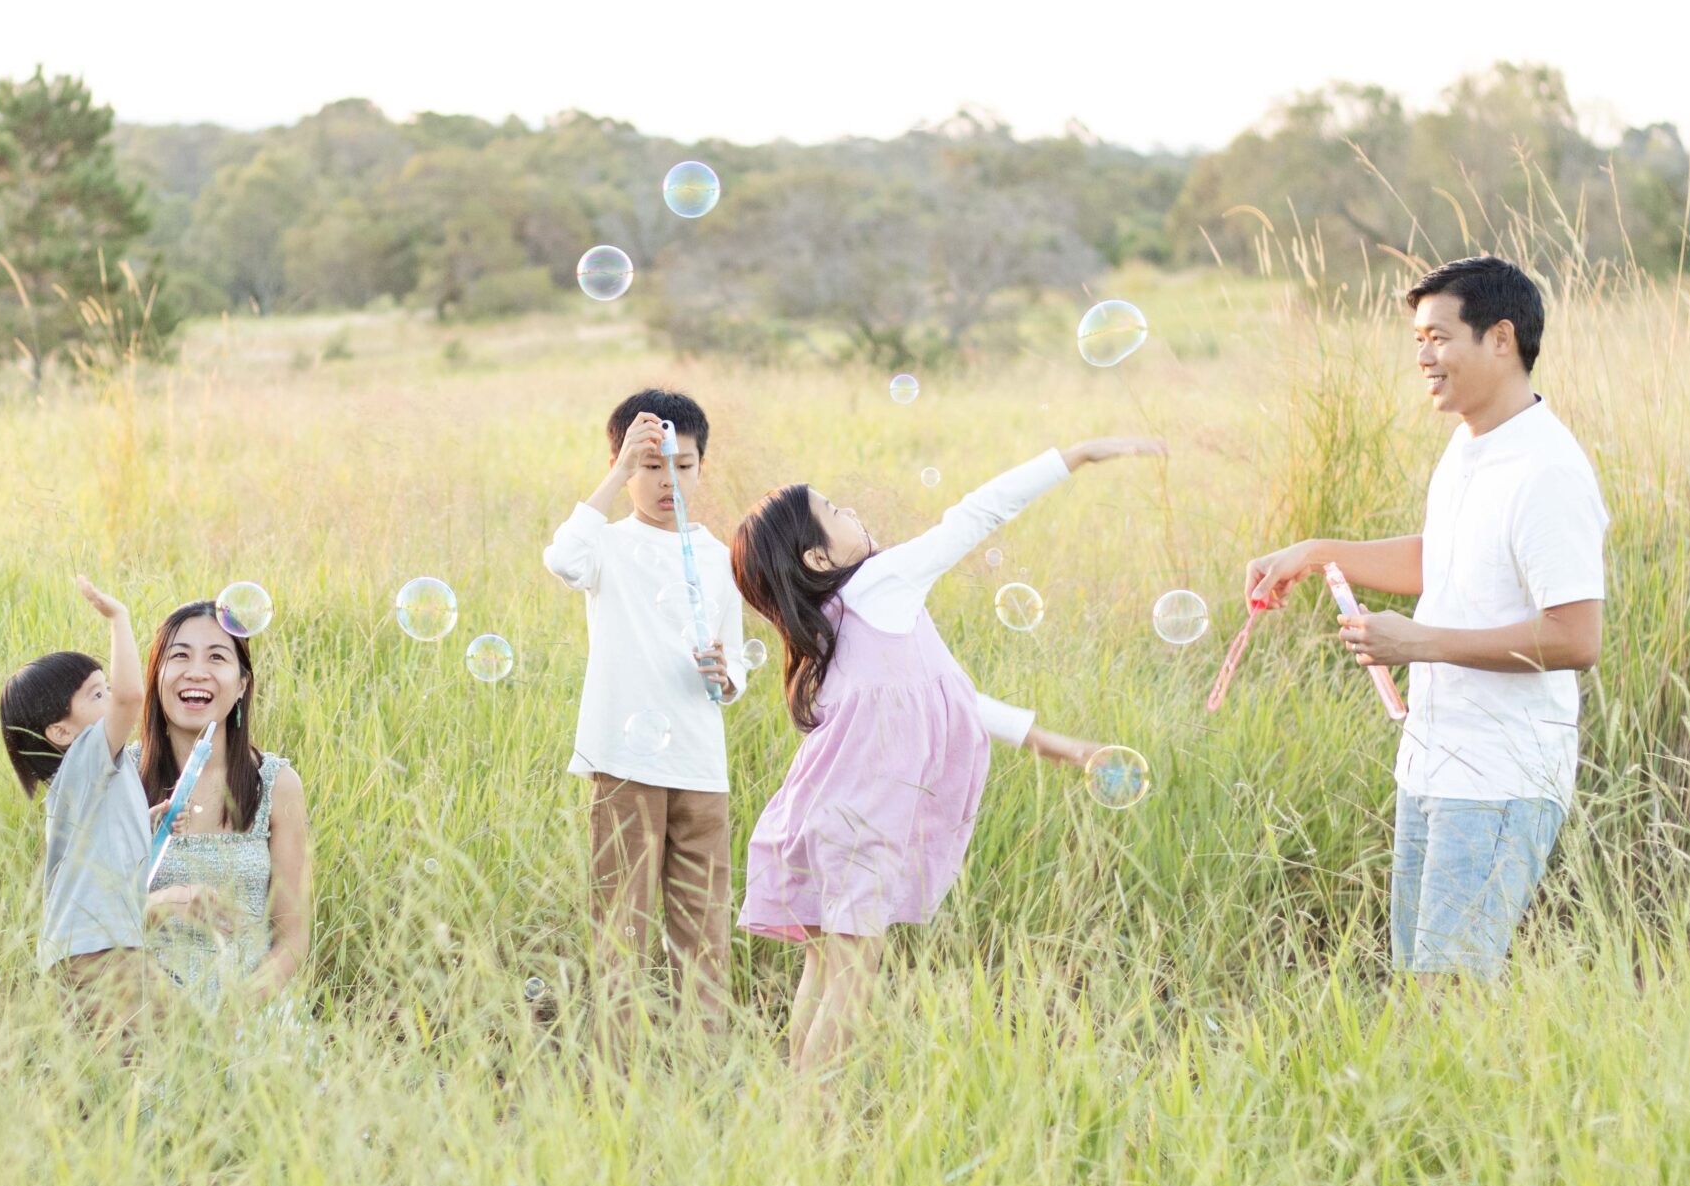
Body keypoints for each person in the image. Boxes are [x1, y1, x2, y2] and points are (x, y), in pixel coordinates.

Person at [730, 437, 1163, 1076]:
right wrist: (1075, 456)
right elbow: (975, 515)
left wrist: (1060, 747)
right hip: (862, 829)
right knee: (852, 983)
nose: (854, 512)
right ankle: (806, 1129)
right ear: (819, 554)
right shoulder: (881, 584)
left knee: (822, 972)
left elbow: (951, 699)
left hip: (817, 820)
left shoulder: (826, 626)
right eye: (836, 509)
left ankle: (798, 1111)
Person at [1245, 255, 1608, 980]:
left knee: (1449, 992)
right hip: (1434, 761)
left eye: (1438, 337)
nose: (1422, 357)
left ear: (1500, 339)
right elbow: (1444, 560)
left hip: (1500, 774)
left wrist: (1421, 643)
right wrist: (1315, 552)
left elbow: (1576, 636)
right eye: (1418, 338)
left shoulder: (1548, 471)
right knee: (1421, 982)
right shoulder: (1470, 444)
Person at [543, 389, 749, 1037]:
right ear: (624, 463)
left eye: (683, 465)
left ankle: (701, 1065)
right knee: (620, 929)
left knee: (705, 931)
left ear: (702, 468)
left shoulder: (718, 556)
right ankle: (617, 1069)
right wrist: (613, 475)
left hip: (699, 764)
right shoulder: (608, 543)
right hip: (625, 760)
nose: (668, 480)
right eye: (650, 464)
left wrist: (728, 676)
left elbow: (734, 661)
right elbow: (563, 560)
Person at [0, 577, 186, 1029]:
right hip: (99, 946)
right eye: (95, 695)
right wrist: (118, 618)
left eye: (105, 689)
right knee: (157, 1043)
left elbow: (102, 839)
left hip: (83, 946)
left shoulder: (86, 779)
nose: (110, 699)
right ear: (61, 733)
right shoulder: (86, 756)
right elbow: (131, 697)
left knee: (124, 1055)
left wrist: (147, 818)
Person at [137, 597, 313, 1017]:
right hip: (142, 1009)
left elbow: (292, 938)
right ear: (156, 676)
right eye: (179, 655)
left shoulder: (276, 784)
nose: (196, 671)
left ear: (241, 685)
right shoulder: (118, 779)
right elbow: (86, 919)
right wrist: (166, 902)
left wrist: (232, 1015)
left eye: (217, 657)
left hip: (252, 1013)